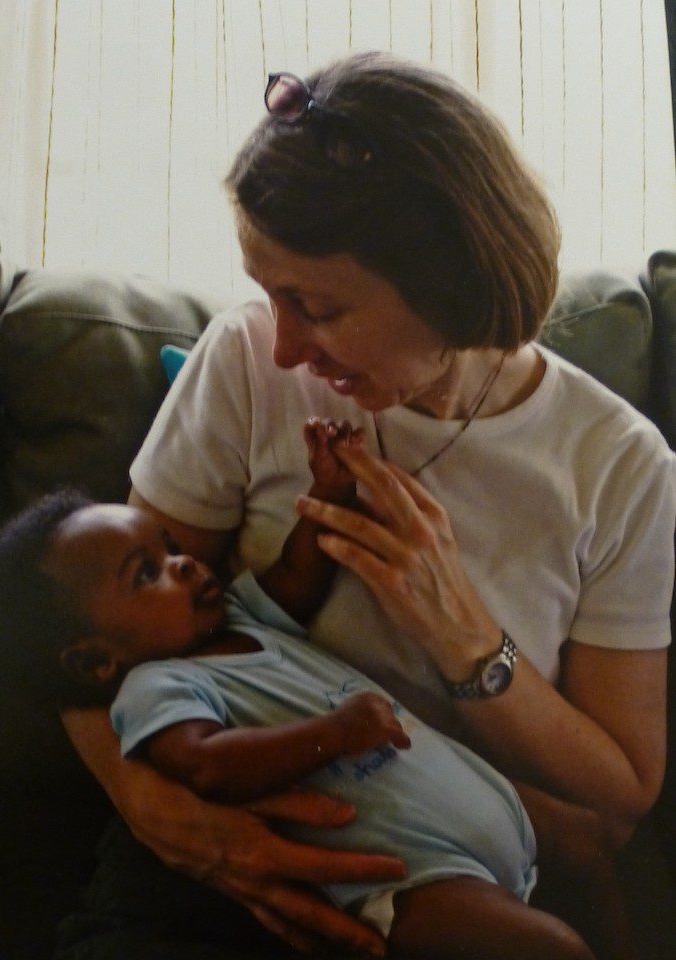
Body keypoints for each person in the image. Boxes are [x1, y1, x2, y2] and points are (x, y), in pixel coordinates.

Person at [59, 52, 675, 958]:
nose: (279, 348)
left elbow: (619, 790)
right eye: (268, 295)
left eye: (314, 305)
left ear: (448, 287)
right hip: (210, 875)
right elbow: (88, 633)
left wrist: (463, 638)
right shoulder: (240, 366)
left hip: (436, 881)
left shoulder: (619, 467)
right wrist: (152, 804)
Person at [0, 421, 600, 960]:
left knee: (589, 841)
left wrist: (327, 488)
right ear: (94, 663)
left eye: (167, 547)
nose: (185, 562)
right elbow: (206, 766)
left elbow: (300, 574)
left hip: (479, 798)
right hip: (406, 879)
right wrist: (333, 737)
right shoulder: (156, 688)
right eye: (147, 574)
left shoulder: (240, 615)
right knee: (556, 950)